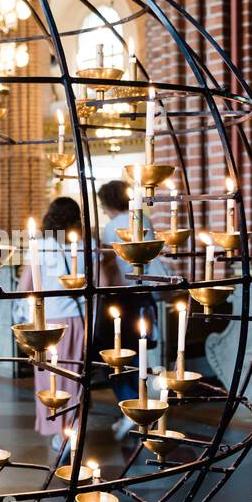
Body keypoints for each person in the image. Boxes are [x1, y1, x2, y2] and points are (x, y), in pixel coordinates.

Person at [14, 197, 89, 442]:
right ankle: (73, 427)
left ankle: (57, 431)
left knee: (48, 376)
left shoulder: (41, 245)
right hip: (75, 318)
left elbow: (25, 286)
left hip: (45, 321)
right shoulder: (85, 244)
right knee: (73, 373)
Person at [97, 179, 163, 439]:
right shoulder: (143, 220)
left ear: (107, 203)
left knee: (113, 355)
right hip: (145, 292)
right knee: (138, 352)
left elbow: (106, 264)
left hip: (121, 296)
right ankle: (140, 408)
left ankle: (131, 408)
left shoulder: (113, 226)